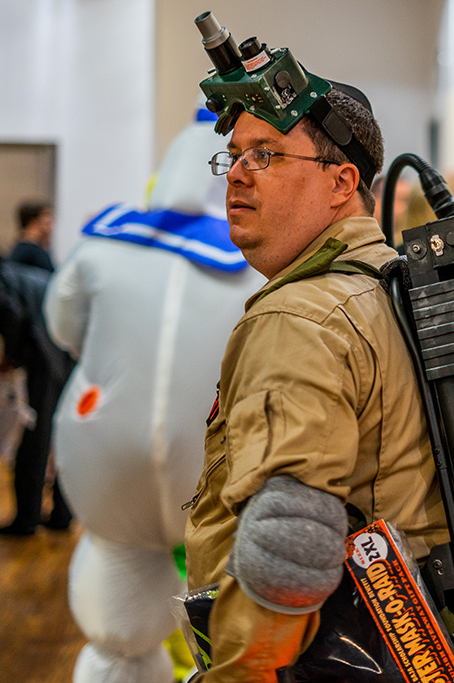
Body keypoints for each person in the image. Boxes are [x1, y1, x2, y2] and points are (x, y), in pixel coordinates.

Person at [184, 78, 448, 680]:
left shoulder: (300, 319)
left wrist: (239, 674)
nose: (237, 174)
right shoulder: (394, 288)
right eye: (236, 155)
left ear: (341, 182)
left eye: (267, 155)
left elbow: (289, 548)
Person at [44, 109, 265, 683]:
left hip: (105, 472)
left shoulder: (104, 244)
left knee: (116, 632)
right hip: (215, 475)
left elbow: (61, 325)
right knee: (233, 633)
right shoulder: (263, 267)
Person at [0, 251, 73, 535]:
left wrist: (11, 357)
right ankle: (61, 515)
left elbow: (12, 315)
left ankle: (26, 519)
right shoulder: (25, 275)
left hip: (45, 360)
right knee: (58, 437)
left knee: (35, 439)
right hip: (65, 358)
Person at [10, 200, 55, 272]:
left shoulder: (22, 249)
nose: (50, 229)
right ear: (32, 222)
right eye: (47, 224)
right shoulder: (31, 251)